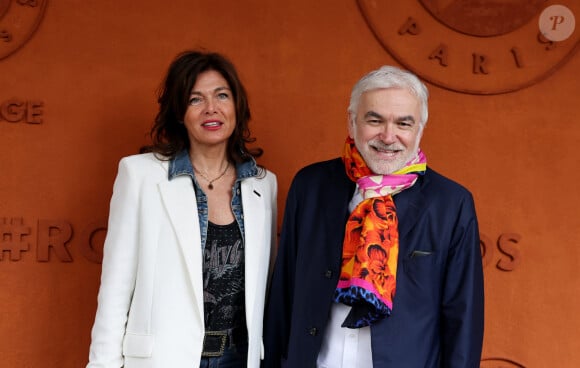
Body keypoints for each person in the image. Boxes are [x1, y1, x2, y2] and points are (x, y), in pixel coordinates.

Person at [263, 65, 484, 367]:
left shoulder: (451, 204)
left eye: (404, 124)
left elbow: (463, 317)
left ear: (419, 130)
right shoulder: (311, 186)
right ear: (352, 123)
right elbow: (283, 293)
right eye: (374, 119)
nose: (388, 136)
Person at [87, 50, 277, 368]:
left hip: (238, 356)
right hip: (164, 358)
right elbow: (115, 287)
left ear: (237, 106)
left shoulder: (263, 184)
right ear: (179, 112)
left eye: (222, 96)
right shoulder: (140, 175)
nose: (211, 109)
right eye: (195, 99)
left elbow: (266, 287)